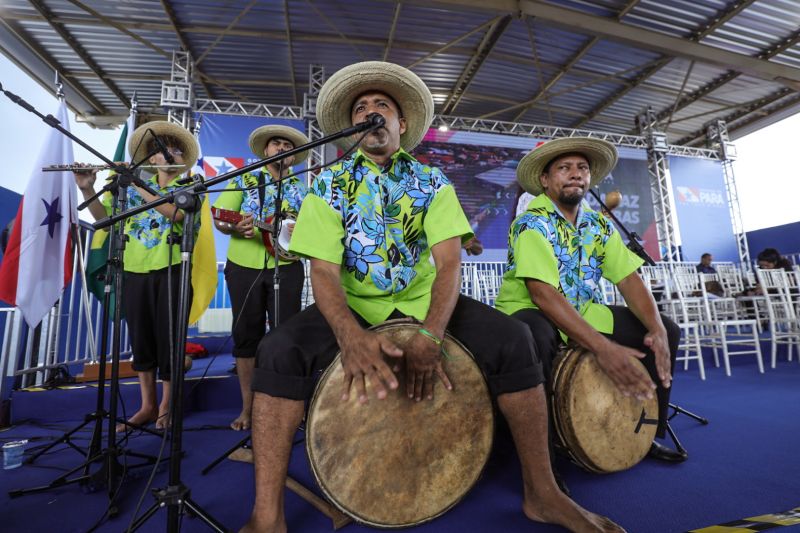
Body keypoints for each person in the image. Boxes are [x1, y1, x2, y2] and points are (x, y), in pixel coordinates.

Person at [241, 61, 623, 533]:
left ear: (401, 124)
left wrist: (432, 332)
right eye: (361, 108)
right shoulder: (326, 184)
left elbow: (448, 264)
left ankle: (542, 493)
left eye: (382, 105)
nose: (370, 111)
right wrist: (349, 335)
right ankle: (267, 515)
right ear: (352, 129)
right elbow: (322, 269)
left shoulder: (432, 181)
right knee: (277, 350)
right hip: (356, 303)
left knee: (515, 339)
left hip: (423, 300)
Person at [495, 137, 685, 464]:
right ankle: (544, 449)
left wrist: (656, 328)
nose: (576, 174)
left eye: (582, 168)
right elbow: (542, 294)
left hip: (582, 309)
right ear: (545, 180)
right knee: (534, 337)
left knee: (666, 329)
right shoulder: (530, 223)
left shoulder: (598, 225)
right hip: (530, 310)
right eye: (564, 168)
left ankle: (646, 432)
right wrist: (603, 347)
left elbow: (628, 279)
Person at [75, 120, 200, 431]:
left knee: (169, 340)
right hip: (133, 271)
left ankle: (167, 404)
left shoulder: (191, 185)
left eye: (174, 150)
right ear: (151, 158)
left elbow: (176, 213)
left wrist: (136, 183)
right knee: (141, 340)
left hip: (172, 271)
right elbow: (104, 220)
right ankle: (147, 405)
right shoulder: (128, 189)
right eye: (161, 150)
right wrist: (87, 187)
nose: (168, 154)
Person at [212, 125, 309, 431]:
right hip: (244, 266)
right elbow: (220, 218)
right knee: (246, 338)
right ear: (266, 150)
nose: (281, 148)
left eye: (287, 145)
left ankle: (286, 407)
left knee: (287, 338)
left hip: (288, 267)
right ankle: (249, 408)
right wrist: (234, 227)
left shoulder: (304, 190)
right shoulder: (244, 179)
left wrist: (299, 232)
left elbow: (313, 230)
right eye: (276, 143)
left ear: (294, 155)